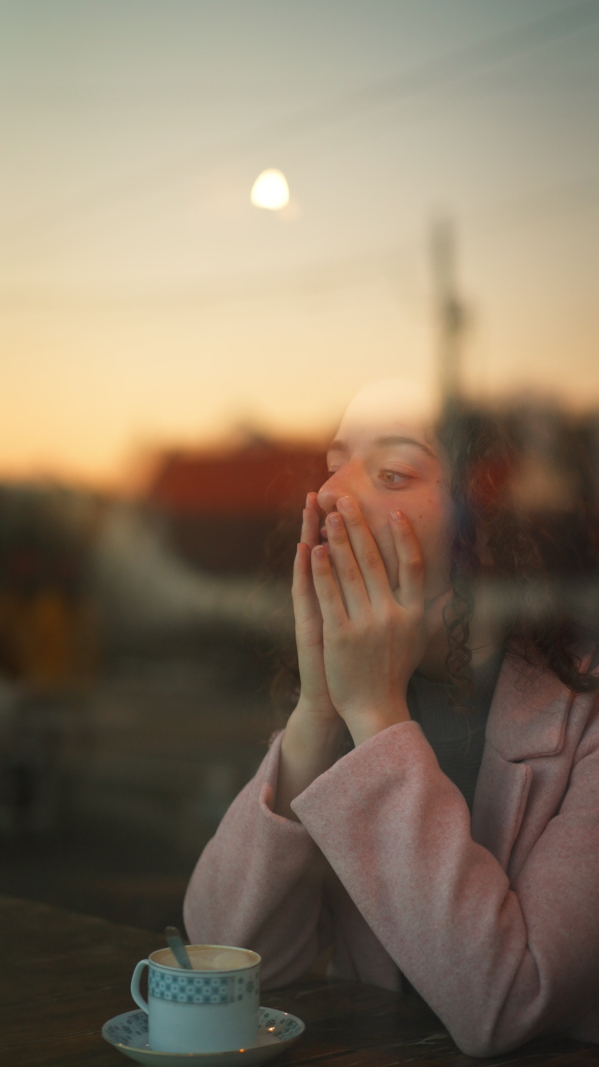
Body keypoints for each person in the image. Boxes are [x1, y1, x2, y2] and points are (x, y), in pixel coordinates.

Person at [183, 380, 599, 1057]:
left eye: (394, 473)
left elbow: (508, 1002)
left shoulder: (584, 717)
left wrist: (376, 712)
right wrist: (317, 708)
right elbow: (222, 958)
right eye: (333, 463)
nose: (332, 493)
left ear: (492, 528)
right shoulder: (344, 697)